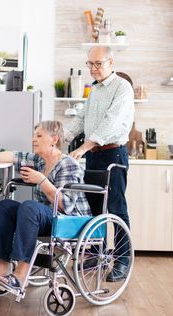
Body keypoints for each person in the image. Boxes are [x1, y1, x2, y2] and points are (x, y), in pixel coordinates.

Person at [0, 120, 91, 292]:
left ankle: (21, 275)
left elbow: (65, 205)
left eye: (39, 135)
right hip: (44, 217)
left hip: (69, 220)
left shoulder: (68, 164)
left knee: (29, 206)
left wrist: (41, 180)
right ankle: (2, 266)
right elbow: (13, 156)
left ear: (54, 139)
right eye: (34, 135)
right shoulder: (40, 161)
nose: (34, 139)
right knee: (5, 206)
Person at [65, 46, 134, 281]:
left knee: (115, 208)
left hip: (112, 155)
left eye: (98, 64)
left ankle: (123, 259)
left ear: (111, 63)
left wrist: (84, 147)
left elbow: (111, 122)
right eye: (90, 64)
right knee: (94, 208)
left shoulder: (122, 88)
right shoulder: (94, 90)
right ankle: (97, 253)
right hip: (94, 155)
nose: (93, 69)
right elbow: (82, 119)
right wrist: (59, 135)